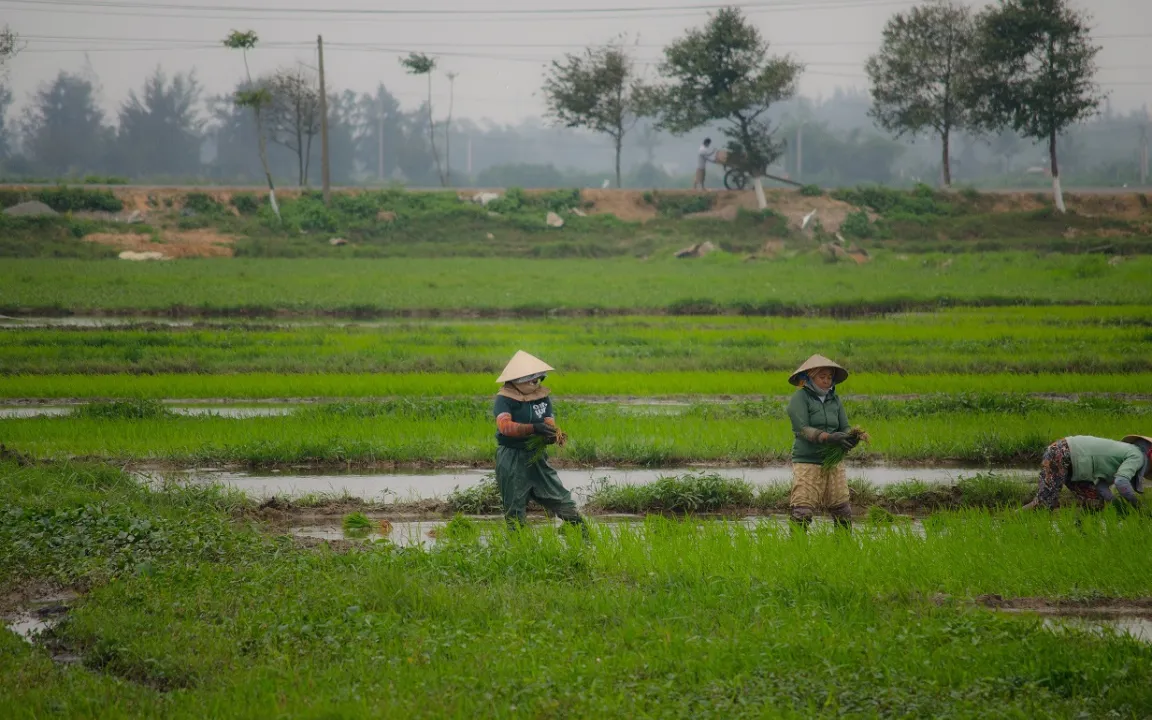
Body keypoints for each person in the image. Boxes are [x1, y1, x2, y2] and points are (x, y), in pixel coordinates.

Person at [492, 350, 586, 531]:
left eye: (539, 379)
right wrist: (534, 429)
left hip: (536, 457)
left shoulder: (541, 397)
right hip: (512, 458)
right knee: (515, 510)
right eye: (533, 379)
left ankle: (586, 538)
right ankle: (519, 548)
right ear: (518, 379)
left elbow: (548, 422)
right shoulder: (504, 399)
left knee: (562, 500)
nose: (537, 383)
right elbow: (504, 427)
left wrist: (552, 434)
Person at [786, 354, 860, 530]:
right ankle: (797, 547)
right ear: (810, 377)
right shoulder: (800, 398)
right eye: (822, 377)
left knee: (842, 508)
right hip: (807, 460)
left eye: (829, 377)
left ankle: (843, 548)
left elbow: (844, 426)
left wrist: (851, 437)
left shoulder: (834, 400)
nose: (827, 381)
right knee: (803, 509)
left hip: (833, 461)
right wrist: (828, 437)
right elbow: (802, 428)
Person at [1022, 434, 1151, 511]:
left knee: (1095, 502)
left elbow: (1101, 485)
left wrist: (1116, 504)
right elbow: (1121, 482)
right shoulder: (1137, 455)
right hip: (1063, 452)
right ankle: (1009, 518)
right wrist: (1137, 506)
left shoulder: (1125, 455)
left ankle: (1080, 532)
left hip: (1076, 465)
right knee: (1044, 504)